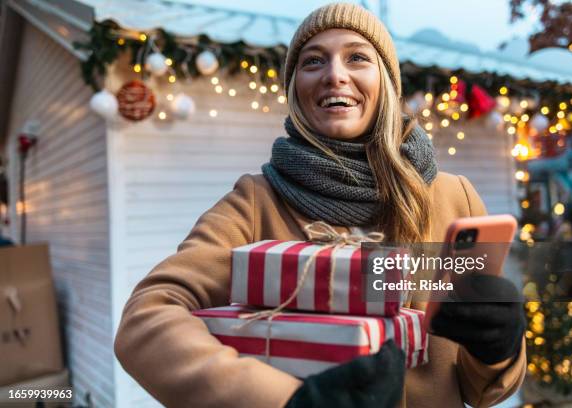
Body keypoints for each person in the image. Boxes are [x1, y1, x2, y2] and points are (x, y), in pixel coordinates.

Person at [114, 3, 526, 407]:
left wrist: (499, 350)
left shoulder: (455, 198)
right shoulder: (256, 203)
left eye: (357, 58)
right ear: (296, 90)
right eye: (313, 62)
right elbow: (146, 318)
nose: (334, 75)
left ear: (386, 82)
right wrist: (287, 401)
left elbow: (484, 390)